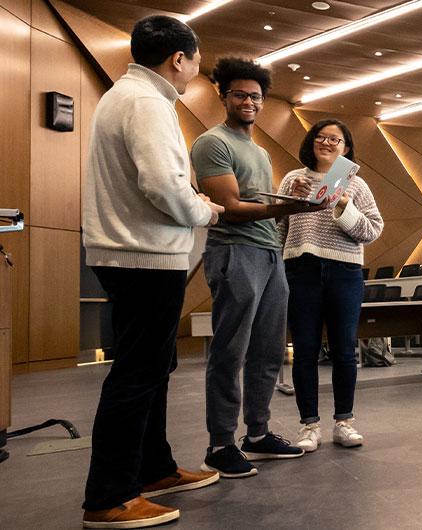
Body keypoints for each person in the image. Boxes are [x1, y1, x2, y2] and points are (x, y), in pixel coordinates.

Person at [81, 15, 225, 529]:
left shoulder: (129, 95)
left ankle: (153, 468)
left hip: (132, 252)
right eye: (197, 62)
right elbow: (163, 184)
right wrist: (204, 209)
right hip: (143, 255)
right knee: (137, 375)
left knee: (152, 369)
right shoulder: (147, 102)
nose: (196, 72)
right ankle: (108, 497)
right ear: (179, 59)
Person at [191, 58, 323, 478]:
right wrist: (286, 206)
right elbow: (229, 208)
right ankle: (220, 444)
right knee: (231, 351)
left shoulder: (261, 151)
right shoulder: (213, 143)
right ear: (223, 95)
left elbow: (259, 203)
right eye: (240, 94)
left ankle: (258, 434)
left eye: (255, 96)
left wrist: (292, 197)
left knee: (268, 351)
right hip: (234, 252)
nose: (248, 102)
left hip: (269, 253)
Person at [277, 119, 383, 452]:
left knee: (343, 350)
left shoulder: (357, 184)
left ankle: (344, 422)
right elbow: (278, 227)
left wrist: (342, 205)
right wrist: (290, 204)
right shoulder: (293, 179)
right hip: (300, 269)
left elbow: (371, 230)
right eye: (320, 137)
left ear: (346, 148)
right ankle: (309, 426)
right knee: (305, 350)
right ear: (310, 143)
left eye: (335, 139)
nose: (326, 143)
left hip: (344, 271)